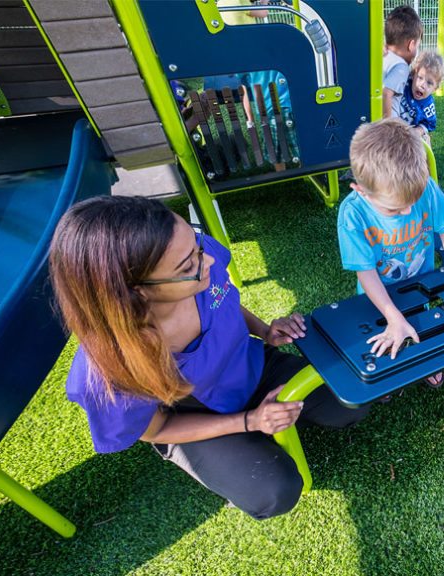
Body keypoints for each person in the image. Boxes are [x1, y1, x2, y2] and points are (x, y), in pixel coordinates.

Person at [49, 196, 368, 519]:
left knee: (351, 401)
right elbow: (156, 429)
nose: (209, 261)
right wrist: (250, 421)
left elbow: (222, 299)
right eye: (187, 265)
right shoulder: (108, 370)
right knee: (274, 493)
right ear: (135, 291)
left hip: (250, 366)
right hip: (193, 413)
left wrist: (264, 331)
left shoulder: (196, 259)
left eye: (197, 245)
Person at [337, 117, 444, 388]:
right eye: (394, 209)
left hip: (421, 283)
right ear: (360, 190)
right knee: (385, 341)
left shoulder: (425, 187)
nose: (407, 212)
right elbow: (366, 273)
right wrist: (392, 316)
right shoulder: (352, 214)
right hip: (378, 292)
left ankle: (421, 354)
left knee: (422, 330)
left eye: (412, 203)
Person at [383, 6, 423, 121]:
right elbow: (385, 93)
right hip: (388, 125)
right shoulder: (401, 67)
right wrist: (387, 125)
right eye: (417, 46)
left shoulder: (382, 56)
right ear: (411, 45)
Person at [398, 51, 444, 145]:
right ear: (413, 74)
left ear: (435, 88)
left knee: (425, 139)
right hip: (394, 126)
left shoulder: (428, 106)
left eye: (429, 83)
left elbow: (429, 123)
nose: (422, 85)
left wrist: (418, 131)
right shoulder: (404, 84)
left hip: (411, 133)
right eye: (420, 77)